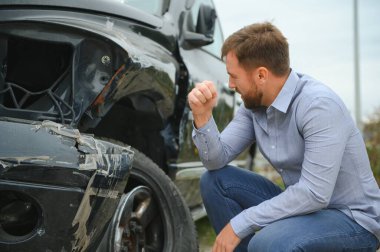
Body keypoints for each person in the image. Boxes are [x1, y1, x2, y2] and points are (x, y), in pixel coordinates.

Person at [188, 22, 380, 252]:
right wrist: (202, 116)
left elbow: (314, 193)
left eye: (233, 76)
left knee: (267, 243)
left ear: (261, 75)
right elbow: (215, 161)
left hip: (352, 218)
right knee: (215, 181)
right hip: (303, 207)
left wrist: (239, 224)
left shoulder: (318, 106)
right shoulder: (253, 106)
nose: (230, 85)